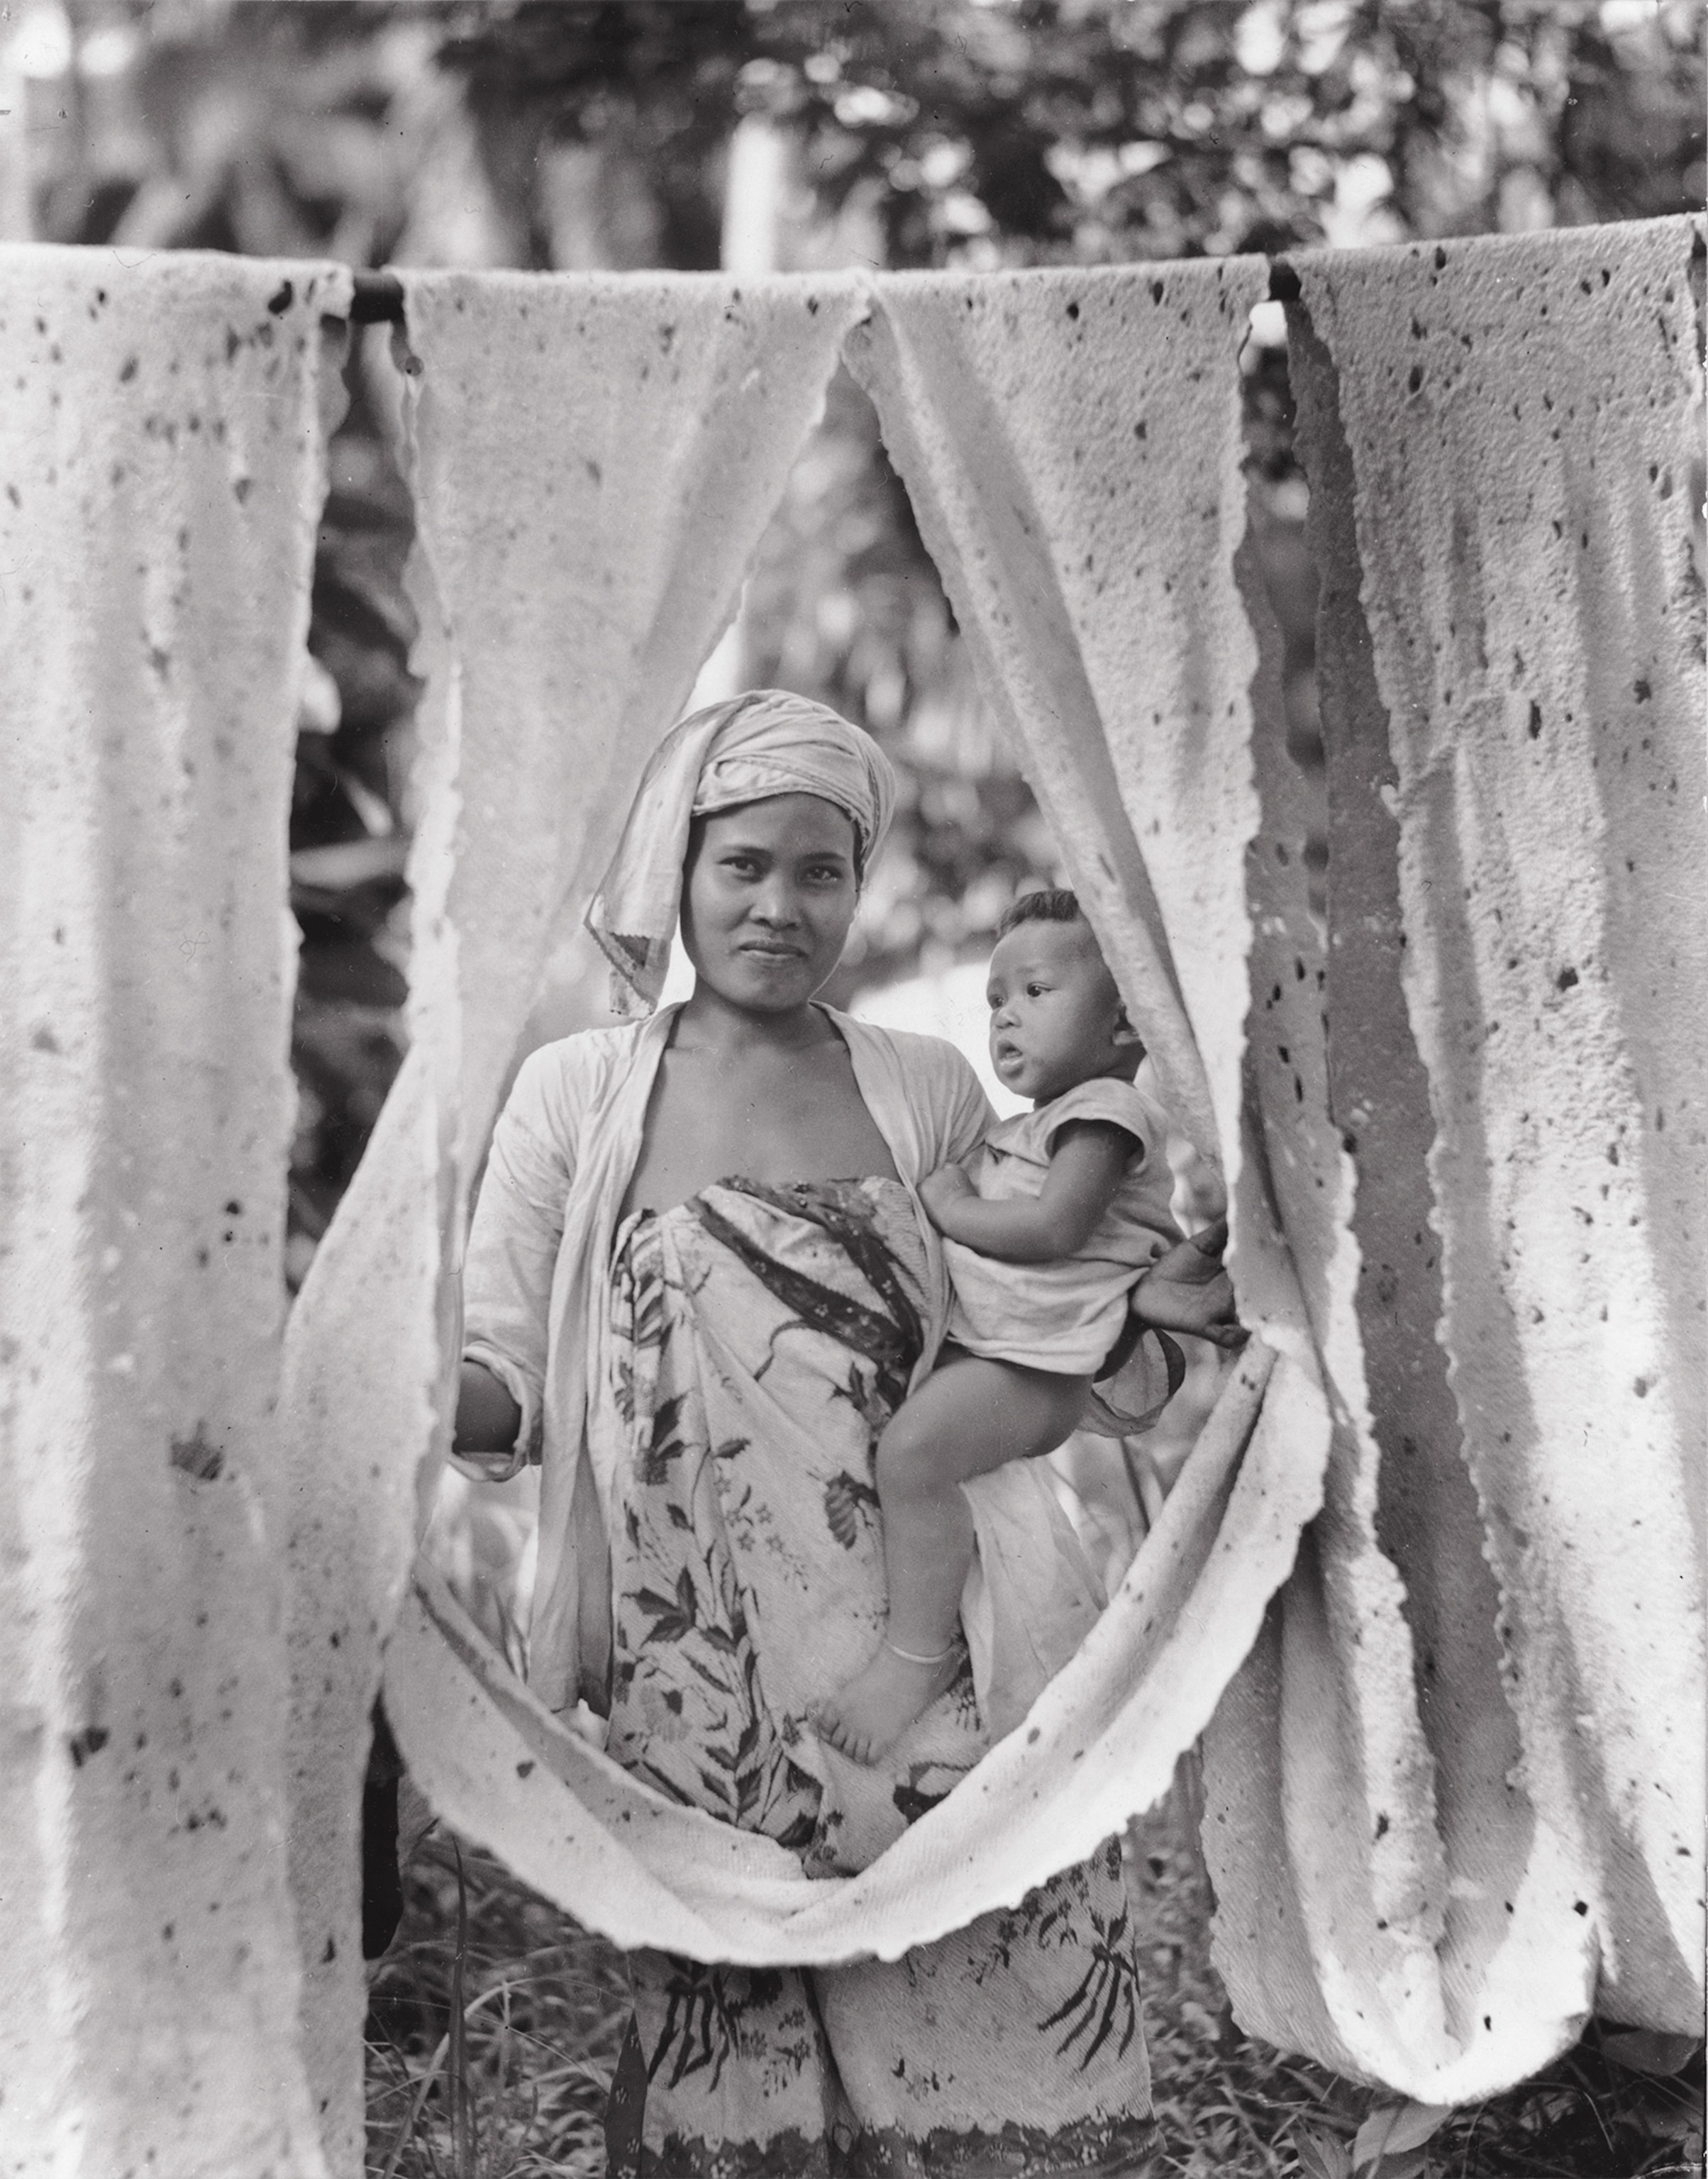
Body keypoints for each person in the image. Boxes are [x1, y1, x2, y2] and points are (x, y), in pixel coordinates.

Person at [453, 690, 1241, 2179]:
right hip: (700, 1677)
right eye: (743, 864)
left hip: (929, 1642)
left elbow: (1048, 1320)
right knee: (736, 2057)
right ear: (678, 871)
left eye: (822, 871)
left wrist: (1172, 1300)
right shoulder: (579, 1096)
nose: (780, 904)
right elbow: (504, 1380)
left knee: (992, 2010)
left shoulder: (927, 1088)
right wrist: (380, 1382)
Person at [814, 887, 1186, 1766]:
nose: (1004, 1018)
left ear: (1126, 1023)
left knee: (911, 1458)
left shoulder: (1104, 1116)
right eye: (994, 1001)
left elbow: (1049, 1232)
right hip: (1008, 1355)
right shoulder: (1037, 1125)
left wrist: (946, 1207)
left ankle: (915, 1654)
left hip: (1035, 1372)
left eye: (1035, 992)